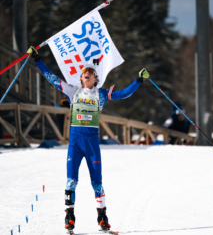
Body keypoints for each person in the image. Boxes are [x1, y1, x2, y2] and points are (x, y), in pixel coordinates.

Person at [27, 46, 149, 234]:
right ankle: (69, 218)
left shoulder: (101, 94)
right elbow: (51, 78)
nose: (86, 74)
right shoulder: (72, 91)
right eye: (84, 73)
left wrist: (138, 81)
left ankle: (102, 219)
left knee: (97, 183)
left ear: (95, 79)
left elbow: (124, 93)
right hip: (75, 144)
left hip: (92, 145)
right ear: (80, 78)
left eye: (90, 73)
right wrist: (38, 60)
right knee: (71, 182)